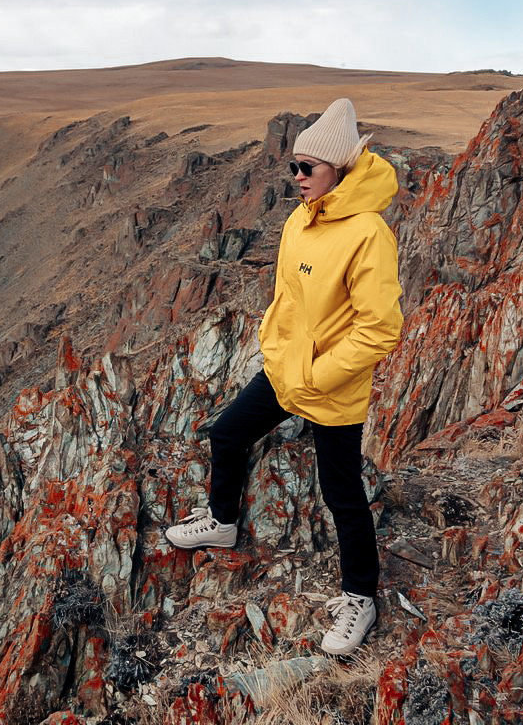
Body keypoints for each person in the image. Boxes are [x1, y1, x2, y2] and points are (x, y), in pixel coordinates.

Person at [165, 98, 404, 656]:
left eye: (307, 168)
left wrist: (319, 374)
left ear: (339, 168)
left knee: (341, 494)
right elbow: (288, 299)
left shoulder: (370, 235)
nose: (296, 178)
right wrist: (276, 347)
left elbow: (380, 329)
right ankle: (223, 520)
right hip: (284, 370)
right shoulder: (302, 219)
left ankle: (360, 600)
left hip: (330, 387)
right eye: (292, 167)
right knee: (225, 434)